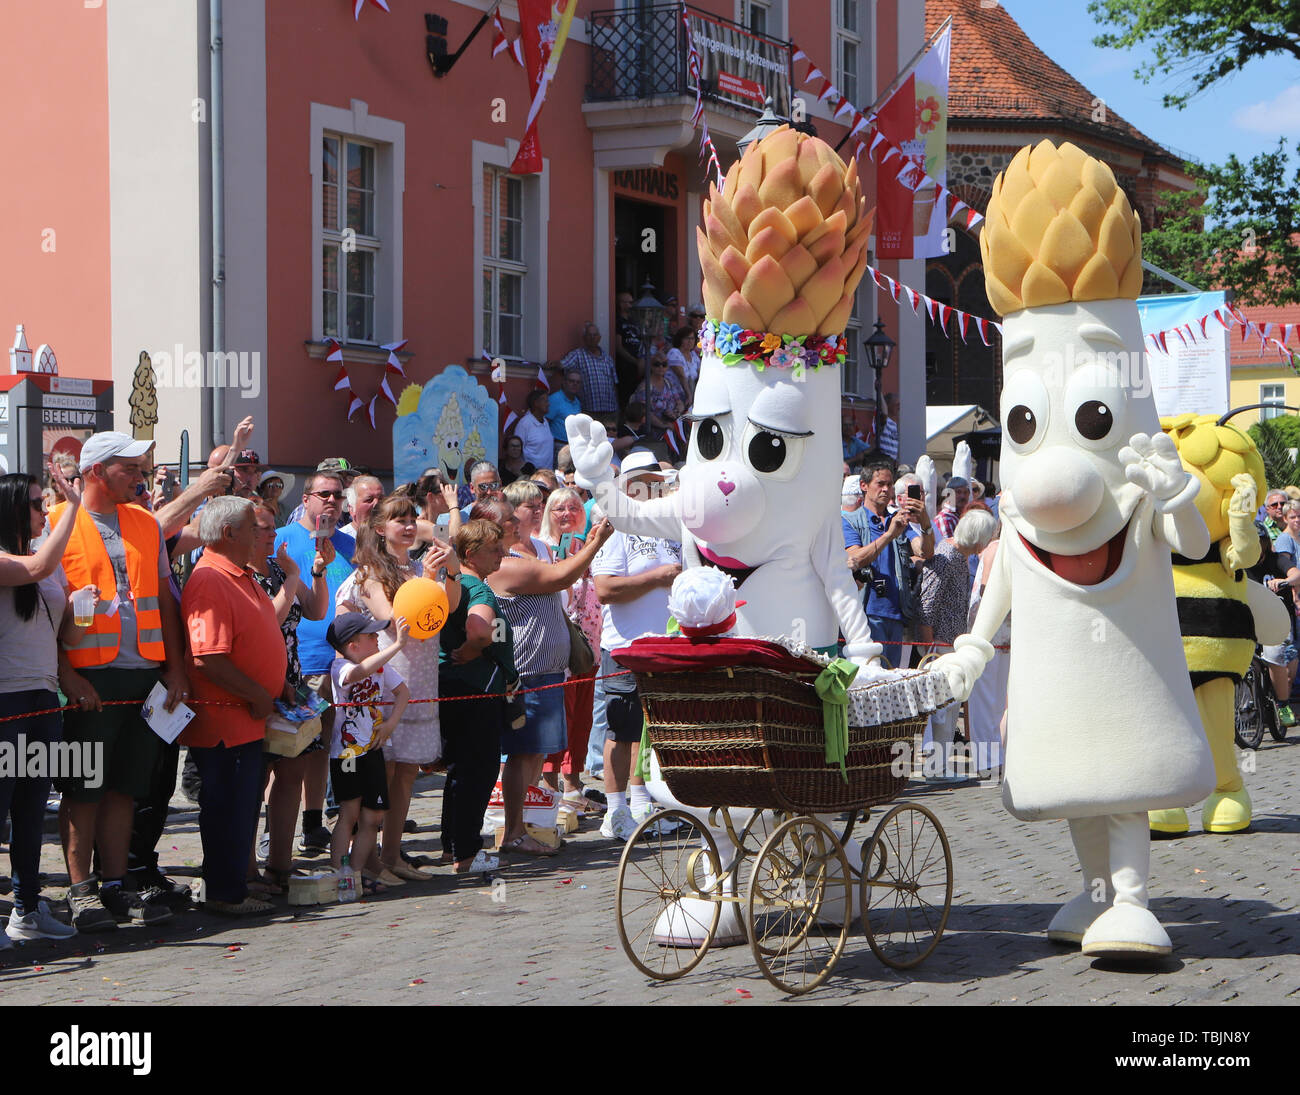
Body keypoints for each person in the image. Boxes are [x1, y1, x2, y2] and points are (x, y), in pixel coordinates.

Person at [54, 432, 189, 930]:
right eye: (128, 468)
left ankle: (115, 885)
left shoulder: (145, 525)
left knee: (124, 789)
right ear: (95, 472)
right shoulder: (56, 524)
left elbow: (164, 601)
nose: (139, 476)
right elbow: (44, 612)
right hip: (89, 678)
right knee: (84, 786)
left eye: (141, 467)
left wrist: (174, 668)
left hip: (141, 673)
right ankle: (80, 890)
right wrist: (68, 676)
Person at [337, 493, 462, 881]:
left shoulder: (419, 567)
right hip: (389, 677)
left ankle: (393, 856)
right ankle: (371, 861)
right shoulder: (372, 572)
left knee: (407, 772)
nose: (408, 527)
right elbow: (395, 619)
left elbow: (448, 607)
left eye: (411, 520)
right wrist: (428, 579)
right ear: (380, 528)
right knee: (385, 773)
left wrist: (452, 572)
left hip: (422, 673)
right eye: (399, 521)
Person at [487, 483, 613, 854]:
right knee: (522, 754)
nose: (517, 522)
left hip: (546, 672)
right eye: (510, 518)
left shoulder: (524, 555)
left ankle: (523, 825)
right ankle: (512, 831)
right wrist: (597, 542)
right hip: (528, 674)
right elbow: (561, 578)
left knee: (534, 754)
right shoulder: (505, 564)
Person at [182, 496, 287, 916]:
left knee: (241, 806)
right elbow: (206, 655)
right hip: (227, 719)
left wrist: (277, 686)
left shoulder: (236, 574)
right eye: (252, 527)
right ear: (229, 534)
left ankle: (234, 886)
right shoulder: (211, 578)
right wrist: (257, 693)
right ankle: (225, 893)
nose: (260, 534)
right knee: (228, 807)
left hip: (247, 716)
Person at [0, 467, 89, 942]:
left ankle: (27, 909)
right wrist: (73, 507)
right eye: (37, 504)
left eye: (44, 503)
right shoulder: (11, 559)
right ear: (13, 508)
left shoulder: (39, 557)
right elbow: (35, 571)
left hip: (42, 695)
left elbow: (64, 633)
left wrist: (83, 611)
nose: (43, 512)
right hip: (5, 698)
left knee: (34, 807)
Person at [590, 452, 682, 840]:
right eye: (646, 483)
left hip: (668, 647)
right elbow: (605, 589)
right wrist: (658, 578)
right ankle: (614, 811)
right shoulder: (617, 528)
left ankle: (643, 801)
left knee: (655, 728)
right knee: (622, 730)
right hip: (627, 647)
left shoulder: (673, 526)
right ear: (628, 487)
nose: (655, 489)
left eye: (658, 482)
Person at [274, 470, 357, 856]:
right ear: (305, 499)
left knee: (322, 744)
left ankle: (312, 820)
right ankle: (272, 833)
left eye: (338, 496)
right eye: (323, 494)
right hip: (299, 661)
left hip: (338, 661)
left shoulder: (348, 544)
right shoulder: (283, 540)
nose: (331, 501)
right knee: (289, 748)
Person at [248, 503, 331, 891]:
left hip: (293, 684)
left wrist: (316, 572)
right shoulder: (244, 575)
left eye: (272, 528)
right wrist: (295, 576)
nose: (272, 535)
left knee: (293, 771)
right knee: (257, 775)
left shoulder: (279, 569)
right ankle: (247, 864)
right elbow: (270, 623)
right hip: (261, 685)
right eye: (263, 529)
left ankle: (280, 863)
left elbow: (314, 611)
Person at [439, 519, 517, 874]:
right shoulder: (478, 589)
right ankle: (467, 853)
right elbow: (479, 630)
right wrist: (475, 646)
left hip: (451, 687)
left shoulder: (451, 584)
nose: (502, 554)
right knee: (479, 770)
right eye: (494, 549)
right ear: (471, 554)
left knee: (458, 770)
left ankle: (451, 846)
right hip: (478, 690)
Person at [327, 612, 411, 895]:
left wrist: (390, 724)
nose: (377, 638)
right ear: (352, 645)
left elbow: (403, 692)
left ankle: (358, 873)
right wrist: (396, 645)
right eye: (371, 636)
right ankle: (339, 874)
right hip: (347, 753)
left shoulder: (382, 666)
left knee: (374, 816)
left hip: (373, 749)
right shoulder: (339, 665)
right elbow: (356, 674)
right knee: (349, 813)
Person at [539, 487, 606, 816]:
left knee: (581, 720)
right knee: (559, 718)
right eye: (559, 509)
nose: (567, 513)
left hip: (590, 648)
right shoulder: (546, 551)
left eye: (574, 507)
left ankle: (574, 786)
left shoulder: (592, 549)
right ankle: (551, 790)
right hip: (559, 648)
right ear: (548, 515)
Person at [919, 509, 998, 780]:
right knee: (943, 709)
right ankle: (937, 769)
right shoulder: (948, 556)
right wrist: (931, 645)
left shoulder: (957, 556)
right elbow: (928, 602)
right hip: (941, 644)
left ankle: (939, 766)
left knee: (949, 709)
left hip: (950, 642)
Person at [843, 460, 934, 666]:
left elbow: (925, 551)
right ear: (864, 486)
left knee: (891, 681)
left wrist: (925, 520)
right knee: (869, 679)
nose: (886, 489)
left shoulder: (899, 519)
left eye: (890, 484)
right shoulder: (850, 520)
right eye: (880, 484)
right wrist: (890, 534)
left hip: (896, 612)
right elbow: (855, 559)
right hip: (865, 612)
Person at [561, 322, 619, 429]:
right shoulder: (577, 355)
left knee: (609, 442)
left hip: (610, 411)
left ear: (599, 337)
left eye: (595, 335)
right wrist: (551, 365)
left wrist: (617, 408)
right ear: (584, 338)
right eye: (589, 335)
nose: (592, 338)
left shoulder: (608, 358)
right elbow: (562, 365)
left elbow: (614, 384)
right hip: (589, 411)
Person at [612, 290, 644, 408]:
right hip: (625, 366)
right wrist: (636, 361)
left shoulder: (635, 322)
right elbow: (618, 347)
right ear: (620, 304)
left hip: (638, 366)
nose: (631, 305)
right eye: (627, 302)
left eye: (631, 302)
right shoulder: (618, 321)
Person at [510, 389, 555, 471]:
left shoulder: (545, 421)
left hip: (547, 473)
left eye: (547, 401)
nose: (548, 404)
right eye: (544, 401)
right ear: (536, 403)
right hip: (531, 474)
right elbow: (516, 449)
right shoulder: (525, 423)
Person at [645, 351, 687, 433]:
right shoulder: (645, 387)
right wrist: (664, 425)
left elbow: (679, 402)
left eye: (664, 364)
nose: (661, 367)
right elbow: (644, 413)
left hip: (673, 425)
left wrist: (676, 412)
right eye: (657, 364)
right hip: (655, 430)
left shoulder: (668, 383)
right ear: (651, 366)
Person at [547, 369, 584, 452]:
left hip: (573, 446)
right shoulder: (554, 399)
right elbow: (544, 423)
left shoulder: (577, 401)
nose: (575, 384)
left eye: (578, 382)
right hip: (558, 446)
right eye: (571, 381)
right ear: (564, 382)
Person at [665, 326, 700, 402]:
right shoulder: (674, 352)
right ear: (680, 339)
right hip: (673, 394)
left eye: (692, 338)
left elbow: (700, 375)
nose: (690, 341)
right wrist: (689, 396)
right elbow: (681, 376)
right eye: (687, 338)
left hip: (689, 392)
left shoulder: (693, 355)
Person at [878, 393, 900, 461]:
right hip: (884, 461)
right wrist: (880, 391)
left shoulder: (895, 424)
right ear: (888, 405)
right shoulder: (885, 421)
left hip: (892, 462)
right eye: (896, 404)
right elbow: (884, 414)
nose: (899, 407)